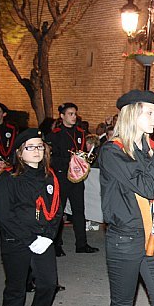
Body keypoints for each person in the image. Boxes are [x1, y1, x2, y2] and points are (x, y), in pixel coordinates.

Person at [98, 90, 154, 306]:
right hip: (125, 240)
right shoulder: (113, 151)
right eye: (150, 113)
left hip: (152, 237)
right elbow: (145, 186)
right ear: (132, 114)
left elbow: (150, 190)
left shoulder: (148, 149)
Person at [0, 128, 62, 306]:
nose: (36, 150)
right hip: (16, 240)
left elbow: (57, 209)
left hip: (43, 239)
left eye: (40, 146)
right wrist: (29, 239)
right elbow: (5, 216)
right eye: (30, 147)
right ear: (19, 151)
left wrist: (49, 236)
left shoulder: (49, 176)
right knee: (16, 291)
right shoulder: (9, 178)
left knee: (48, 285)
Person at [47, 102, 98, 256]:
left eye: (75, 114)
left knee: (79, 210)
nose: (74, 117)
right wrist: (68, 161)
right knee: (58, 211)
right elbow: (51, 158)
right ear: (62, 116)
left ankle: (81, 244)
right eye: (70, 114)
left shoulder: (81, 132)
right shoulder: (54, 134)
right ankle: (56, 244)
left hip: (76, 178)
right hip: (62, 176)